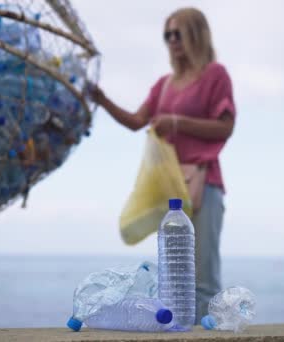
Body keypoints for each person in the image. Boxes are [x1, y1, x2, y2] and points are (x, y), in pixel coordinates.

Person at [90, 7, 236, 322]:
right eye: (167, 34)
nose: (171, 40)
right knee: (174, 281)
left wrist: (176, 122)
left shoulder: (215, 75)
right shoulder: (164, 84)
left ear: (196, 34)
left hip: (202, 182)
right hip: (171, 191)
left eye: (178, 33)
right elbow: (135, 121)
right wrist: (101, 99)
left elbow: (225, 127)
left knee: (204, 280)